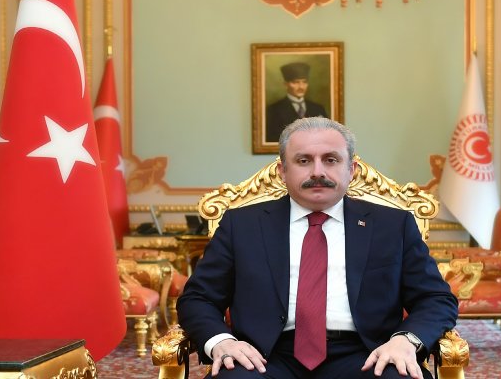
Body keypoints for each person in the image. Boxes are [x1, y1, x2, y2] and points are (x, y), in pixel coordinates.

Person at [177, 117, 458, 379]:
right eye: (303, 160)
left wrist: (405, 341)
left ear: (351, 170)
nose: (318, 172)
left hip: (368, 354)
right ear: (282, 171)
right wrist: (222, 341)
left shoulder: (393, 225)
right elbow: (198, 298)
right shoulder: (241, 225)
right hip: (264, 357)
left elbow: (435, 298)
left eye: (331, 160)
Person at [264, 62, 328, 143]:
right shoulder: (273, 110)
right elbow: (271, 140)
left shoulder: (318, 109)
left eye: (304, 82)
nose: (301, 87)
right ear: (286, 84)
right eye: (296, 82)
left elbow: (326, 136)